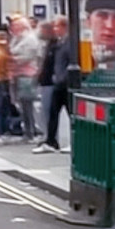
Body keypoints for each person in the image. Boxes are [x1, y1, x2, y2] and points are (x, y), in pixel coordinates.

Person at [35, 15, 75, 153]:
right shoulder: (59, 43)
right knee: (53, 113)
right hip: (58, 84)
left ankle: (74, 142)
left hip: (67, 84)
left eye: (57, 26)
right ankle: (51, 142)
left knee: (72, 114)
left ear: (64, 27)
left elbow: (71, 62)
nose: (55, 29)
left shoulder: (70, 43)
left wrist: (62, 78)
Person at [7, 15, 43, 141]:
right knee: (21, 105)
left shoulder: (30, 39)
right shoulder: (16, 39)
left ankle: (31, 131)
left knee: (27, 104)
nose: (12, 28)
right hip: (17, 74)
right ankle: (27, 130)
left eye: (15, 25)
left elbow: (26, 57)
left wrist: (10, 59)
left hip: (27, 75)